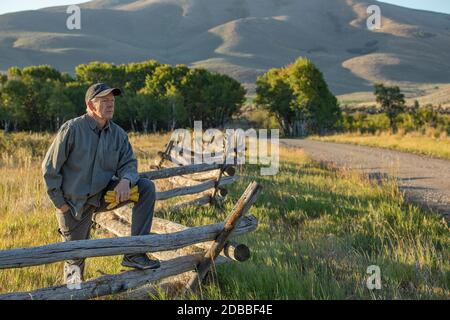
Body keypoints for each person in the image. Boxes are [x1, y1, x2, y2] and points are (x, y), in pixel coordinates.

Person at [42, 83, 160, 285]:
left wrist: (125, 180)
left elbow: (129, 164)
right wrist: (60, 205)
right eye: (104, 100)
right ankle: (73, 295)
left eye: (112, 100)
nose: (110, 104)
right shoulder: (72, 129)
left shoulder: (118, 134)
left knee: (145, 187)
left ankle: (134, 253)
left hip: (104, 196)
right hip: (73, 204)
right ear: (90, 104)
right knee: (75, 258)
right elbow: (49, 169)